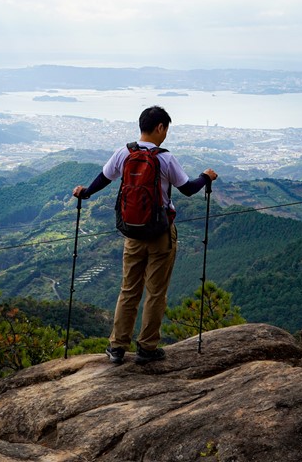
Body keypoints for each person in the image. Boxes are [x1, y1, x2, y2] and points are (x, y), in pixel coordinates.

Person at [72, 105, 218, 365]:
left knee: (129, 289)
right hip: (161, 234)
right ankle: (147, 348)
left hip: (132, 233)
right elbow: (187, 189)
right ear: (160, 127)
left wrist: (86, 192)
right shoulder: (165, 158)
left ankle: (117, 346)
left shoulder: (124, 153)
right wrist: (205, 177)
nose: (166, 134)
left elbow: (103, 178)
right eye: (166, 129)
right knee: (155, 292)